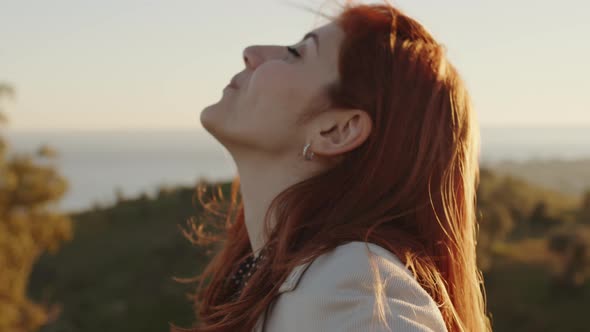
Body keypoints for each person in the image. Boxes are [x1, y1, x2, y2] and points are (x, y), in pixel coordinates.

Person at [170, 1, 493, 331]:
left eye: (296, 53)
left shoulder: (355, 283)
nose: (251, 53)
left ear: (337, 130)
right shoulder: (283, 277)